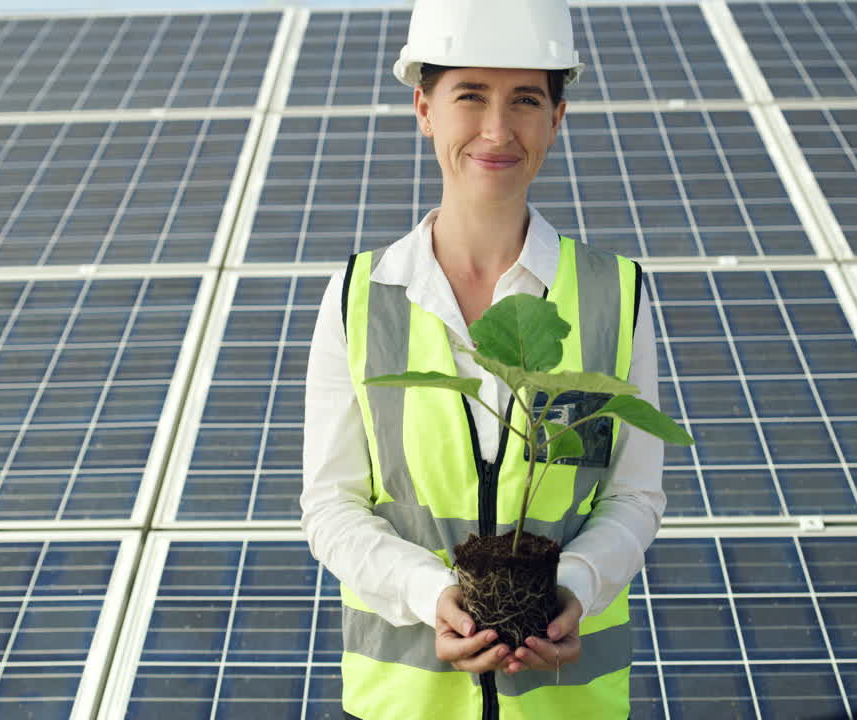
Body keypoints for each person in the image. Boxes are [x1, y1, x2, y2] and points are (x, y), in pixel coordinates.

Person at [300, 1, 665, 717]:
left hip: (568, 705)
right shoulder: (361, 296)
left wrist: (579, 586)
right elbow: (330, 502)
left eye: (525, 100)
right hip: (404, 703)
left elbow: (635, 494)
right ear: (424, 108)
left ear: (556, 119)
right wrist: (426, 594)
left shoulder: (613, 295)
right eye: (470, 95)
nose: (497, 130)